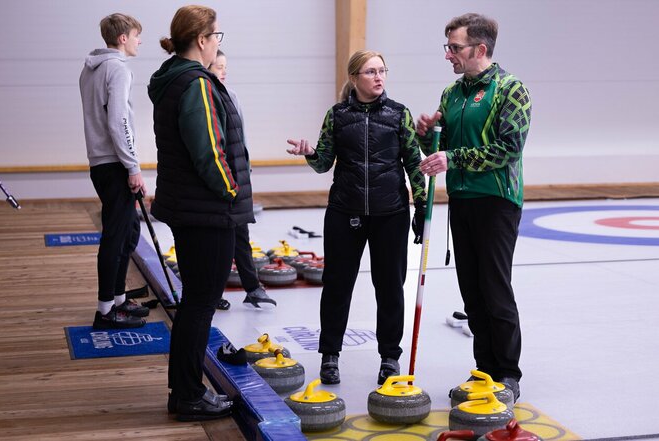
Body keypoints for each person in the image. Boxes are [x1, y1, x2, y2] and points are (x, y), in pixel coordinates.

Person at [287, 50, 427, 385]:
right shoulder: (337, 116)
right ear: (354, 78)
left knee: (391, 288)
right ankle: (330, 355)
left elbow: (413, 163)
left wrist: (422, 206)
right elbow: (323, 162)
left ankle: (390, 357)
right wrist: (309, 153)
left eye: (382, 71)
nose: (379, 77)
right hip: (344, 213)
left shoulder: (399, 115)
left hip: (390, 214)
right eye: (370, 72)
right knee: (337, 286)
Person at [417, 13, 532, 402]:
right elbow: (440, 150)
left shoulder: (510, 89)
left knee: (495, 289)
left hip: (497, 201)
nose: (449, 54)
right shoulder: (452, 95)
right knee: (472, 293)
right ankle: (484, 371)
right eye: (447, 46)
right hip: (463, 201)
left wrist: (452, 158)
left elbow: (508, 149)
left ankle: (508, 374)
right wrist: (426, 137)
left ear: (480, 49)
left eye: (455, 47)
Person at [147, 5, 250, 421]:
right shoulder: (196, 84)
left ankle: (185, 391)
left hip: (191, 207)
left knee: (196, 302)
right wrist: (231, 191)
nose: (218, 44)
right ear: (204, 40)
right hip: (206, 211)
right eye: (218, 37)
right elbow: (209, 151)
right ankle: (188, 395)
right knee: (200, 304)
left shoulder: (174, 77)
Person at [79, 13, 149, 329]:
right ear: (123, 38)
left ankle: (118, 299)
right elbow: (118, 121)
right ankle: (105, 310)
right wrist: (132, 166)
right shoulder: (117, 69)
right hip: (115, 164)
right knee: (115, 236)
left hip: (102, 164)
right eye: (136, 35)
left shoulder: (90, 69)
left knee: (128, 232)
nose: (139, 41)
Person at [208, 50, 276, 309]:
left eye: (225, 67)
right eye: (219, 67)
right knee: (220, 244)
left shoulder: (232, 96)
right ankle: (214, 293)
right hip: (222, 181)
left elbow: (241, 140)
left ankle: (253, 287)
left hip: (239, 178)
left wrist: (245, 172)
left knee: (242, 237)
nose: (224, 72)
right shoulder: (209, 98)